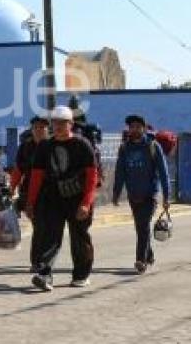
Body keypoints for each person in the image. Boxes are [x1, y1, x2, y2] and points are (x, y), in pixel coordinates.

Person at [26, 106, 99, 292]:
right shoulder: (44, 146)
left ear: (71, 124)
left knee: (79, 237)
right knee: (49, 236)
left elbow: (92, 177)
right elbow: (36, 176)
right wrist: (31, 202)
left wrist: (86, 203)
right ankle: (44, 274)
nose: (58, 126)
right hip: (52, 198)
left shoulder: (82, 145)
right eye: (55, 122)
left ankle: (81, 275)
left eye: (62, 122)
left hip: (78, 197)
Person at [112, 114, 171, 274]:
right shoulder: (124, 148)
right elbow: (120, 172)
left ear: (144, 128)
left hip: (149, 195)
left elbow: (164, 173)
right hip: (133, 195)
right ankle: (149, 255)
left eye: (138, 126)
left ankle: (141, 260)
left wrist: (166, 196)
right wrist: (116, 193)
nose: (135, 129)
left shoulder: (153, 146)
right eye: (132, 126)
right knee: (140, 228)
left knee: (143, 226)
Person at [10, 115, 50, 271]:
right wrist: (11, 188)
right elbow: (18, 169)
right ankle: (37, 262)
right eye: (36, 127)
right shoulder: (26, 147)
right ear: (32, 130)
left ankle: (43, 260)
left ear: (48, 129)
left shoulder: (52, 145)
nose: (39, 130)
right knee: (39, 226)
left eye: (42, 127)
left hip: (51, 193)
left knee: (48, 228)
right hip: (30, 193)